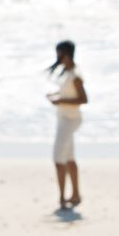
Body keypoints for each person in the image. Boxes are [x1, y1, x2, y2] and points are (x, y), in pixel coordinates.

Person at [46, 39, 88, 209]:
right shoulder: (66, 72)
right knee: (69, 157)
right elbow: (67, 92)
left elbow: (83, 99)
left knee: (58, 158)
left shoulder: (75, 75)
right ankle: (76, 194)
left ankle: (62, 198)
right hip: (63, 118)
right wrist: (57, 96)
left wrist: (60, 100)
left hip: (70, 120)